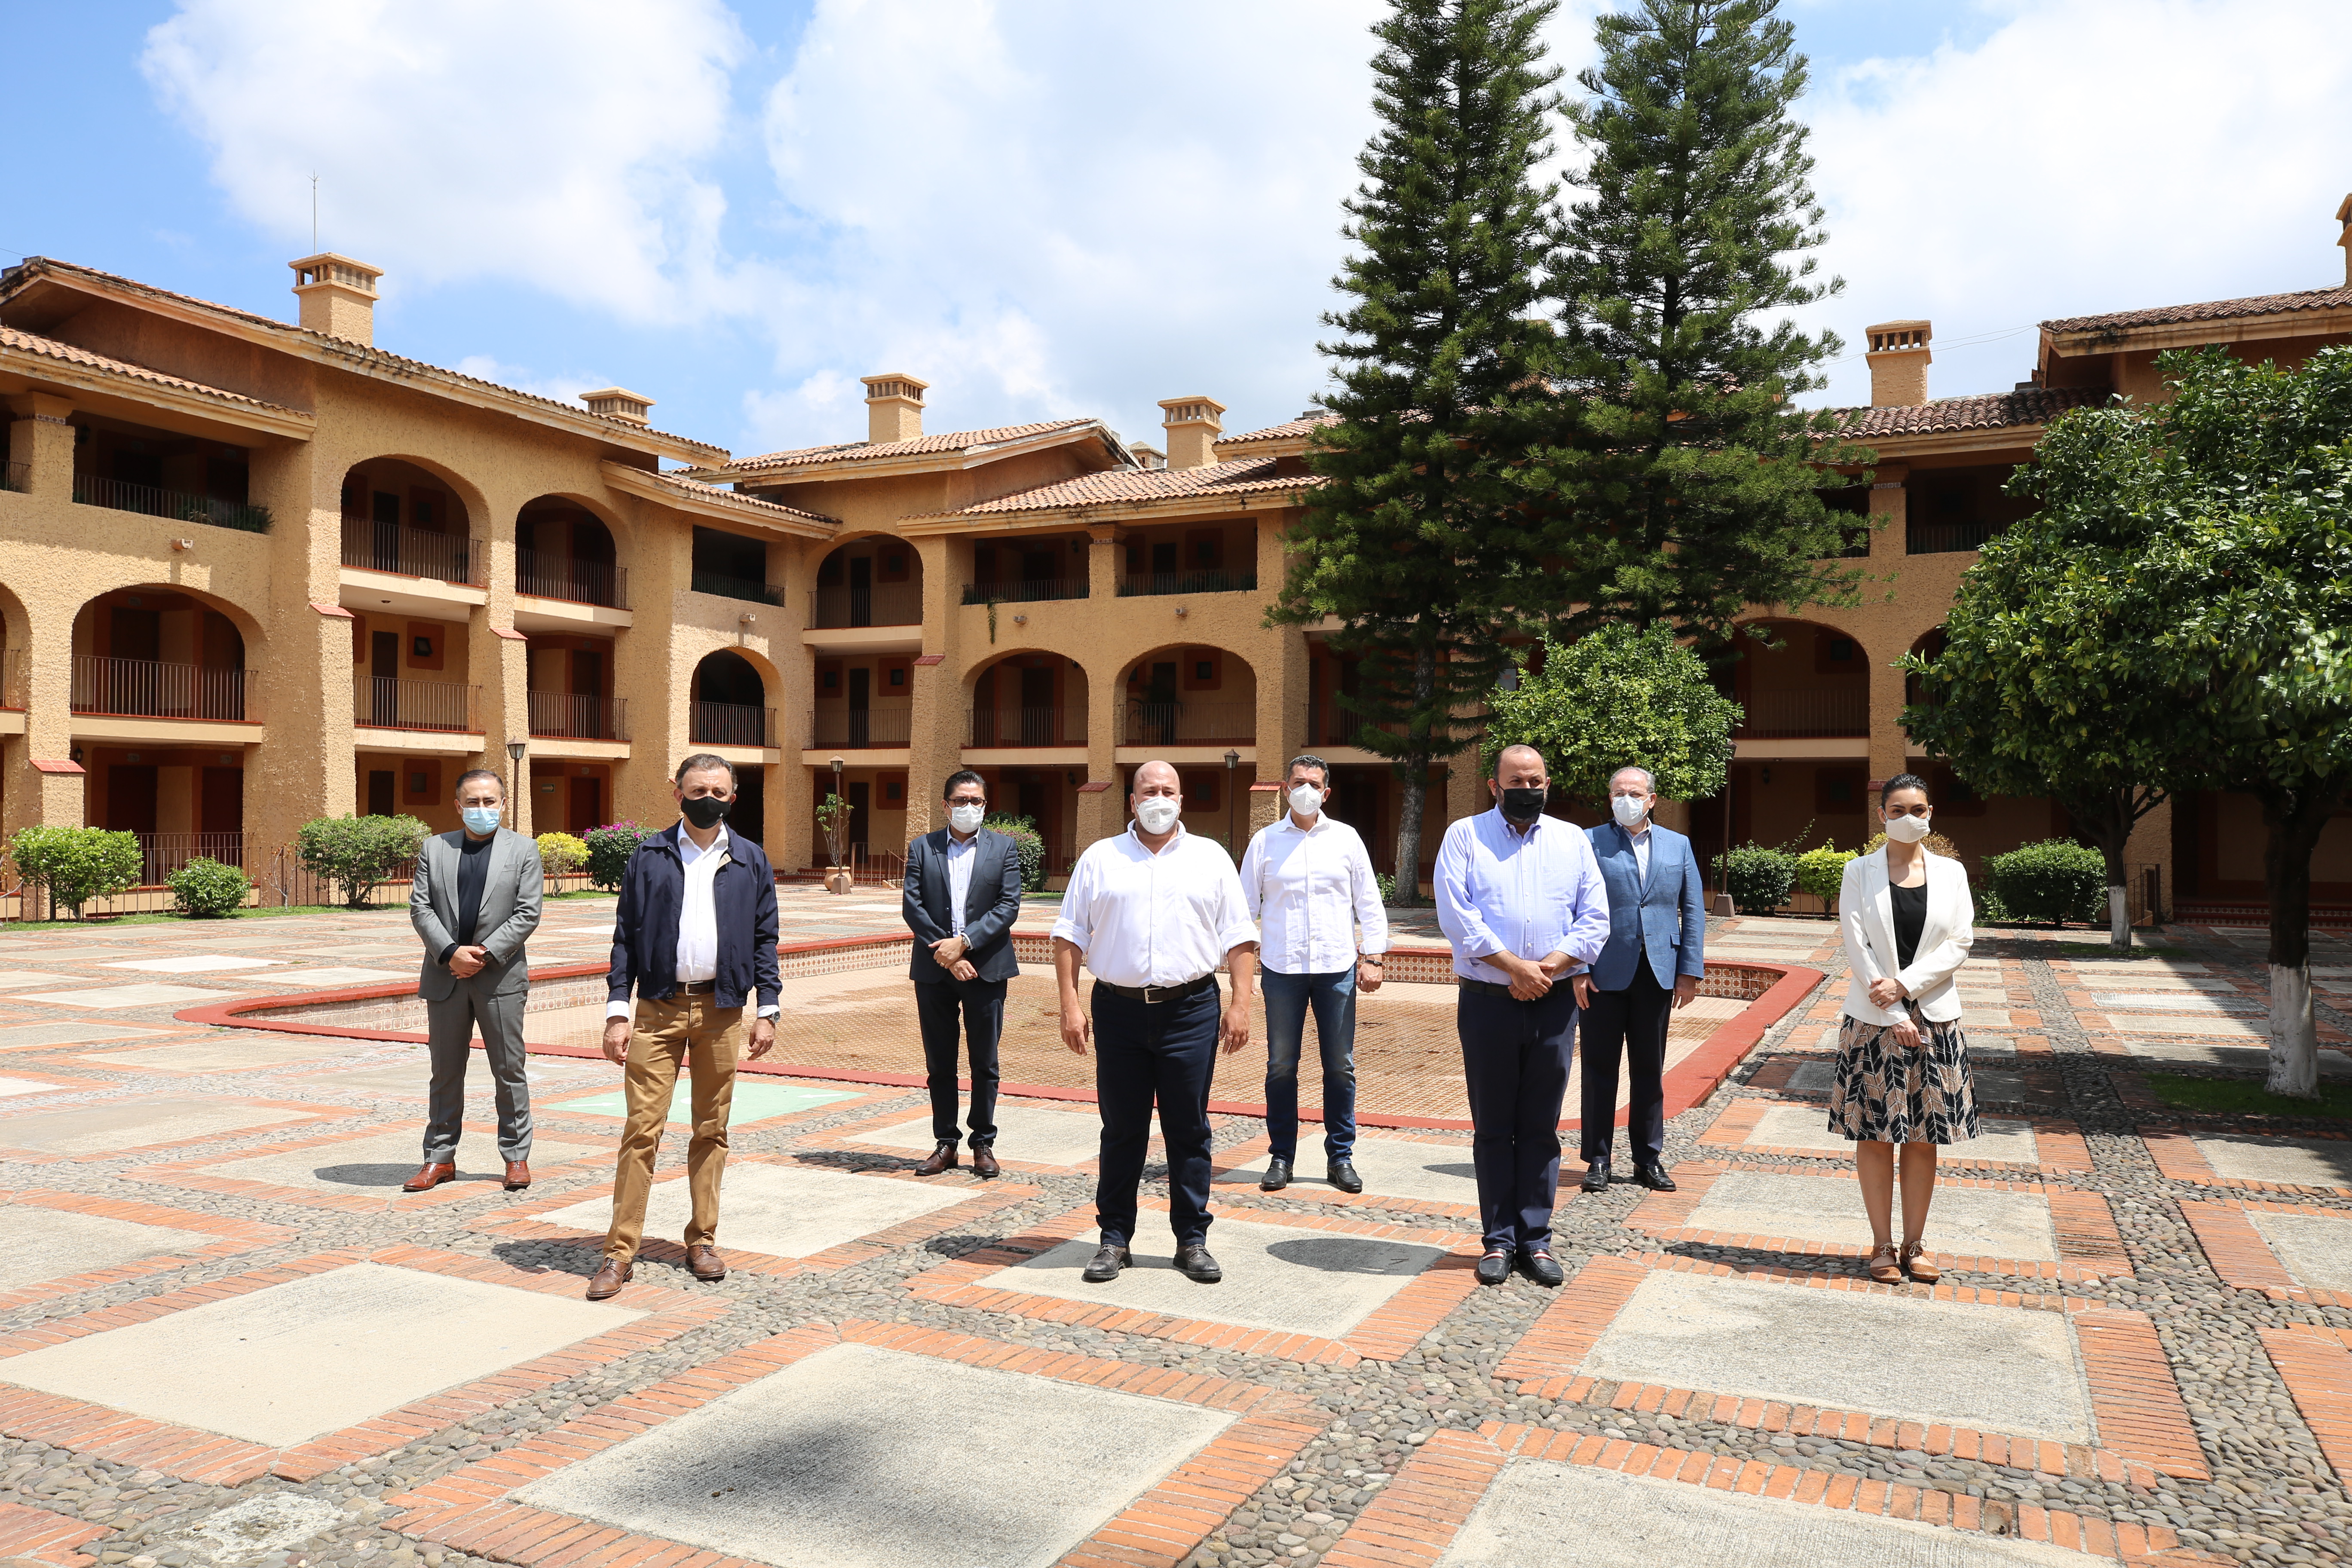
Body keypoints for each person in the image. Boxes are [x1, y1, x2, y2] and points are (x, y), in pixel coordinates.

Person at [1051, 760, 1258, 1286]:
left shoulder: (1210, 858)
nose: (1159, 798)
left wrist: (1242, 1004)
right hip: (1118, 1011)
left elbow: (1238, 938)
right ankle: (1114, 1240)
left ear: (1182, 800)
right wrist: (1070, 1006)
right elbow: (1069, 935)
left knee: (1188, 1129)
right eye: (1149, 790)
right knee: (1122, 1129)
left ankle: (1192, 1240)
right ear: (1132, 800)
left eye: (1168, 790)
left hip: (1190, 1009)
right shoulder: (1101, 858)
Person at [589, 754, 781, 1299]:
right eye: (698, 789)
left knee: (711, 1131)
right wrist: (616, 1011)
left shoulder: (750, 860)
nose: (708, 799)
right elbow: (625, 936)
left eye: (719, 791)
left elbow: (766, 937)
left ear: (733, 798)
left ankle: (702, 1240)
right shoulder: (649, 854)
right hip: (656, 1008)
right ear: (677, 792)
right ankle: (619, 1251)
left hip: (722, 1010)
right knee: (641, 1132)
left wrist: (767, 1008)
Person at [1435, 744, 1610, 1288]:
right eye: (1516, 780)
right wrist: (1514, 967)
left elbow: (1595, 915)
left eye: (1535, 780)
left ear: (1547, 783)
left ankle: (1536, 1239)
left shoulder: (1572, 839)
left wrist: (1550, 967)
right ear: (1495, 785)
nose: (1526, 788)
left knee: (1541, 1125)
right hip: (1488, 1002)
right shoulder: (1465, 836)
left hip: (1554, 1003)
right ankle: (1497, 1239)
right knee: (1493, 1126)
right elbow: (1457, 915)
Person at [1830, 773, 1978, 1286]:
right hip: (1873, 1020)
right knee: (1875, 1135)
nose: (1909, 817)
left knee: (1923, 1136)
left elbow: (1960, 942)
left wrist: (1906, 987)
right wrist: (1893, 1009)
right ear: (1882, 815)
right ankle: (1881, 1245)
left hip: (1935, 1017)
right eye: (1898, 810)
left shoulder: (1953, 873)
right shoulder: (1858, 872)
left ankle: (1916, 1244)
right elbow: (1855, 945)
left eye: (1918, 808)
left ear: (1931, 812)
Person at [1239, 753, 1387, 1194]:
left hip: (1335, 968)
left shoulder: (1346, 839)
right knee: (1281, 1066)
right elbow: (1244, 910)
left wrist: (1373, 956)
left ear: (1326, 792)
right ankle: (1281, 1156)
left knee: (1340, 1067)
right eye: (1298, 781)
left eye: (1314, 783)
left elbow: (1369, 901)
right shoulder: (1265, 842)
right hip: (1281, 969)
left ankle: (1340, 1157)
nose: (1305, 789)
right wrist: (1240, 971)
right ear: (1286, 788)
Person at [404, 769, 544, 1194]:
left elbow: (528, 913)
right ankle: (439, 1159)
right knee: (445, 1072)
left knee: (509, 1070)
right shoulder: (435, 848)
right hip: (445, 976)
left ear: (503, 804)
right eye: (473, 802)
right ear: (457, 805)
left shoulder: (524, 850)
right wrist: (450, 953)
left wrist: (480, 955)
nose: (481, 809)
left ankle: (516, 1158)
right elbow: (420, 908)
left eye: (489, 802)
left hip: (499, 977)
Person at [1579, 766, 1706, 1194]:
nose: (1625, 799)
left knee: (1649, 1071)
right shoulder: (1589, 842)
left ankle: (1647, 1159)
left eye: (1634, 793)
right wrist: (1577, 968)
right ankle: (1597, 1158)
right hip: (1602, 973)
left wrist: (1688, 970)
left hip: (1657, 972)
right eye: (1618, 792)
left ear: (1652, 799)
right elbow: (1571, 907)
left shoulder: (1678, 845)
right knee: (1599, 1069)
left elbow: (1693, 910)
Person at [902, 769, 1024, 1178]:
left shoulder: (1004, 848)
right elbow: (912, 908)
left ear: (985, 806)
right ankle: (946, 1142)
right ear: (946, 805)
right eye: (960, 801)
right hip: (935, 971)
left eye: (976, 801)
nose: (968, 807)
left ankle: (983, 1143)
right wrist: (949, 955)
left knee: (985, 1061)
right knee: (940, 1062)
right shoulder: (923, 848)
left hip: (987, 969)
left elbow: (1008, 907)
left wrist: (966, 943)